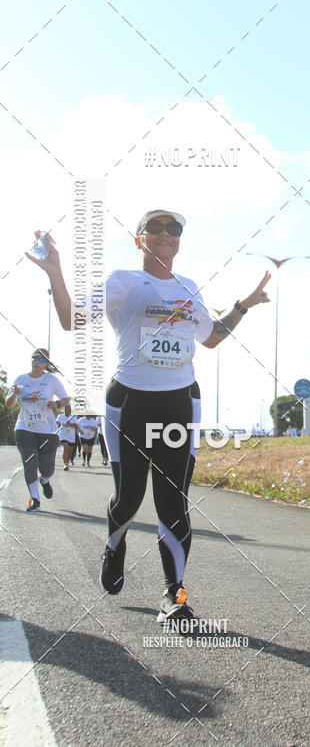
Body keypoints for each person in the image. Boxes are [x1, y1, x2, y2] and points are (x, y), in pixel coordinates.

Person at [27, 209, 270, 622]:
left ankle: (175, 595)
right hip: (129, 404)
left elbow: (211, 337)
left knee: (173, 501)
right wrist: (55, 271)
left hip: (180, 404)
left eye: (173, 228)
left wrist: (243, 305)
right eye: (154, 227)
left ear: (179, 241)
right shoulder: (123, 281)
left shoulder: (188, 287)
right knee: (129, 498)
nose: (165, 233)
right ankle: (114, 545)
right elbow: (70, 320)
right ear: (139, 239)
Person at [5, 349, 70, 511]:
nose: (36, 362)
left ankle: (45, 480)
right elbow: (9, 403)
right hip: (24, 428)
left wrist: (57, 404)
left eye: (41, 360)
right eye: (34, 358)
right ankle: (35, 499)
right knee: (29, 461)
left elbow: (66, 399)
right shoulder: (21, 379)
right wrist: (14, 394)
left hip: (47, 430)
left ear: (46, 364)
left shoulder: (51, 380)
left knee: (47, 469)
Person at [56, 405, 80, 470]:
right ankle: (65, 464)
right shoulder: (60, 416)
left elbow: (77, 426)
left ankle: (67, 462)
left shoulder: (73, 417)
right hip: (63, 435)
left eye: (69, 409)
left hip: (71, 436)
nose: (67, 410)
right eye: (66, 409)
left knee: (70, 451)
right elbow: (57, 424)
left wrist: (70, 424)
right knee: (65, 447)